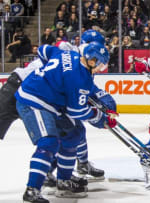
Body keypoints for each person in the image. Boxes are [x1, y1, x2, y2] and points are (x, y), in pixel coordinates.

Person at [15, 42, 116, 203]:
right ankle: (32, 190)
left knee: (75, 134)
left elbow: (44, 50)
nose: (102, 68)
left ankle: (64, 181)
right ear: (92, 60)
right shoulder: (81, 78)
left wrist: (53, 76)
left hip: (52, 103)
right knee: (48, 142)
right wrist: (99, 116)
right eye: (101, 64)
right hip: (33, 100)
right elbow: (76, 111)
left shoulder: (70, 54)